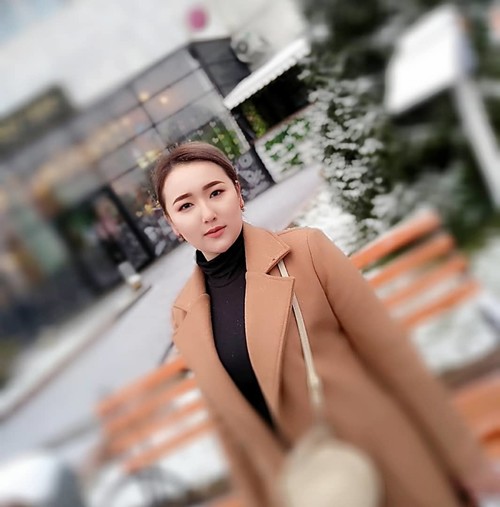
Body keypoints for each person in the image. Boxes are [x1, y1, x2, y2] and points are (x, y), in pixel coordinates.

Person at [152, 141, 500, 507]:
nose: (207, 213)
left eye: (216, 192)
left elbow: (395, 358)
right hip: (301, 491)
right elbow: (233, 434)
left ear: (238, 193)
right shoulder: (186, 312)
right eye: (186, 205)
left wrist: (465, 459)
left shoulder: (306, 251)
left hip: (383, 461)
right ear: (173, 224)